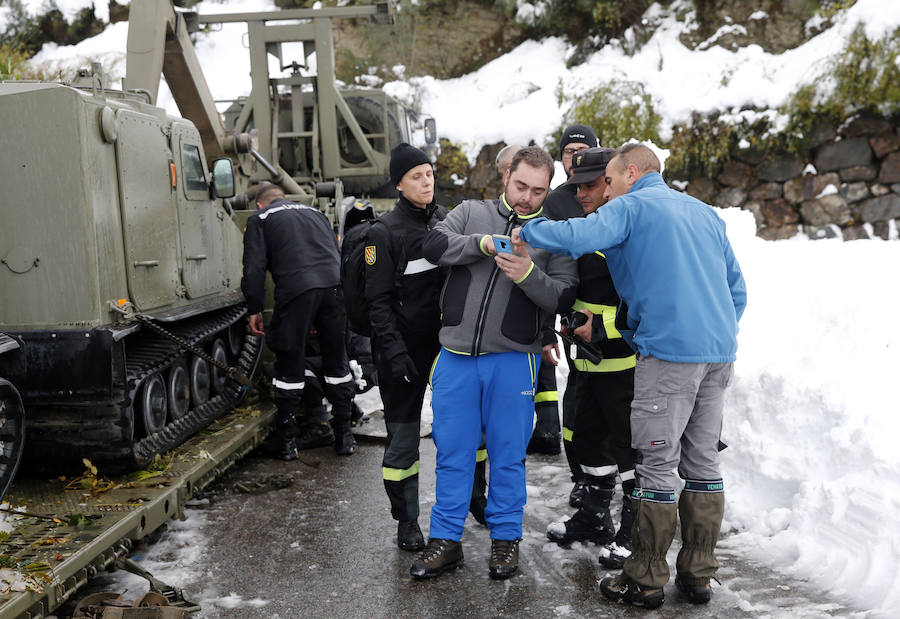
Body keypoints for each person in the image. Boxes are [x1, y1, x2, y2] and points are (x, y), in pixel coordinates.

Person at [517, 143, 746, 609]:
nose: (608, 189)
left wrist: (532, 227)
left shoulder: (633, 205)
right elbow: (736, 291)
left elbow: (577, 236)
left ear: (631, 172)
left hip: (670, 356)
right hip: (718, 353)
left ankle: (644, 578)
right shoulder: (703, 213)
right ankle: (698, 574)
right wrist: (706, 332)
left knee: (657, 463)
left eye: (613, 179)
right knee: (701, 462)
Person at [411, 146, 578, 580]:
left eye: (537, 191)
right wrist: (480, 244)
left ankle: (506, 542)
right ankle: (445, 541)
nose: (526, 197)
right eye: (520, 185)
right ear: (506, 178)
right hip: (456, 358)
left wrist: (527, 273)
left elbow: (563, 296)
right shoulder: (470, 212)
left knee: (507, 455)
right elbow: (432, 245)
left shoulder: (553, 232)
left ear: (548, 190)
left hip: (512, 361)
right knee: (453, 453)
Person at [542, 147, 637, 570]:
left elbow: (644, 304)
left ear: (612, 183)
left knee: (630, 452)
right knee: (586, 443)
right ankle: (595, 517)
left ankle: (633, 534)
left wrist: (600, 329)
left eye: (591, 185)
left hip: (626, 368)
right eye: (576, 185)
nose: (580, 193)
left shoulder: (628, 230)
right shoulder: (586, 228)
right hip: (587, 363)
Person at [364, 143, 448, 552]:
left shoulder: (445, 222)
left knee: (462, 432)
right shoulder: (383, 233)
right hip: (402, 354)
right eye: (416, 176)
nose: (426, 181)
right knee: (403, 441)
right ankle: (407, 521)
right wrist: (395, 353)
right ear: (399, 183)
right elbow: (377, 304)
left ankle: (471, 501)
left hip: (445, 349)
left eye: (429, 173)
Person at [241, 184, 357, 460]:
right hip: (334, 286)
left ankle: (287, 442)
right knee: (336, 362)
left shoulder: (260, 219)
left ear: (260, 203)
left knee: (289, 362)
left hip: (297, 290)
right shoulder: (316, 213)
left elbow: (254, 267)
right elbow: (335, 251)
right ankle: (344, 438)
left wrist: (254, 308)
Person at [528, 125, 599, 458]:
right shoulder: (555, 201)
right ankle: (581, 471)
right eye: (569, 151)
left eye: (582, 150)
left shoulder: (609, 195)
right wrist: (545, 331)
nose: (575, 157)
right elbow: (541, 268)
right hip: (570, 309)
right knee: (579, 389)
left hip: (611, 311)